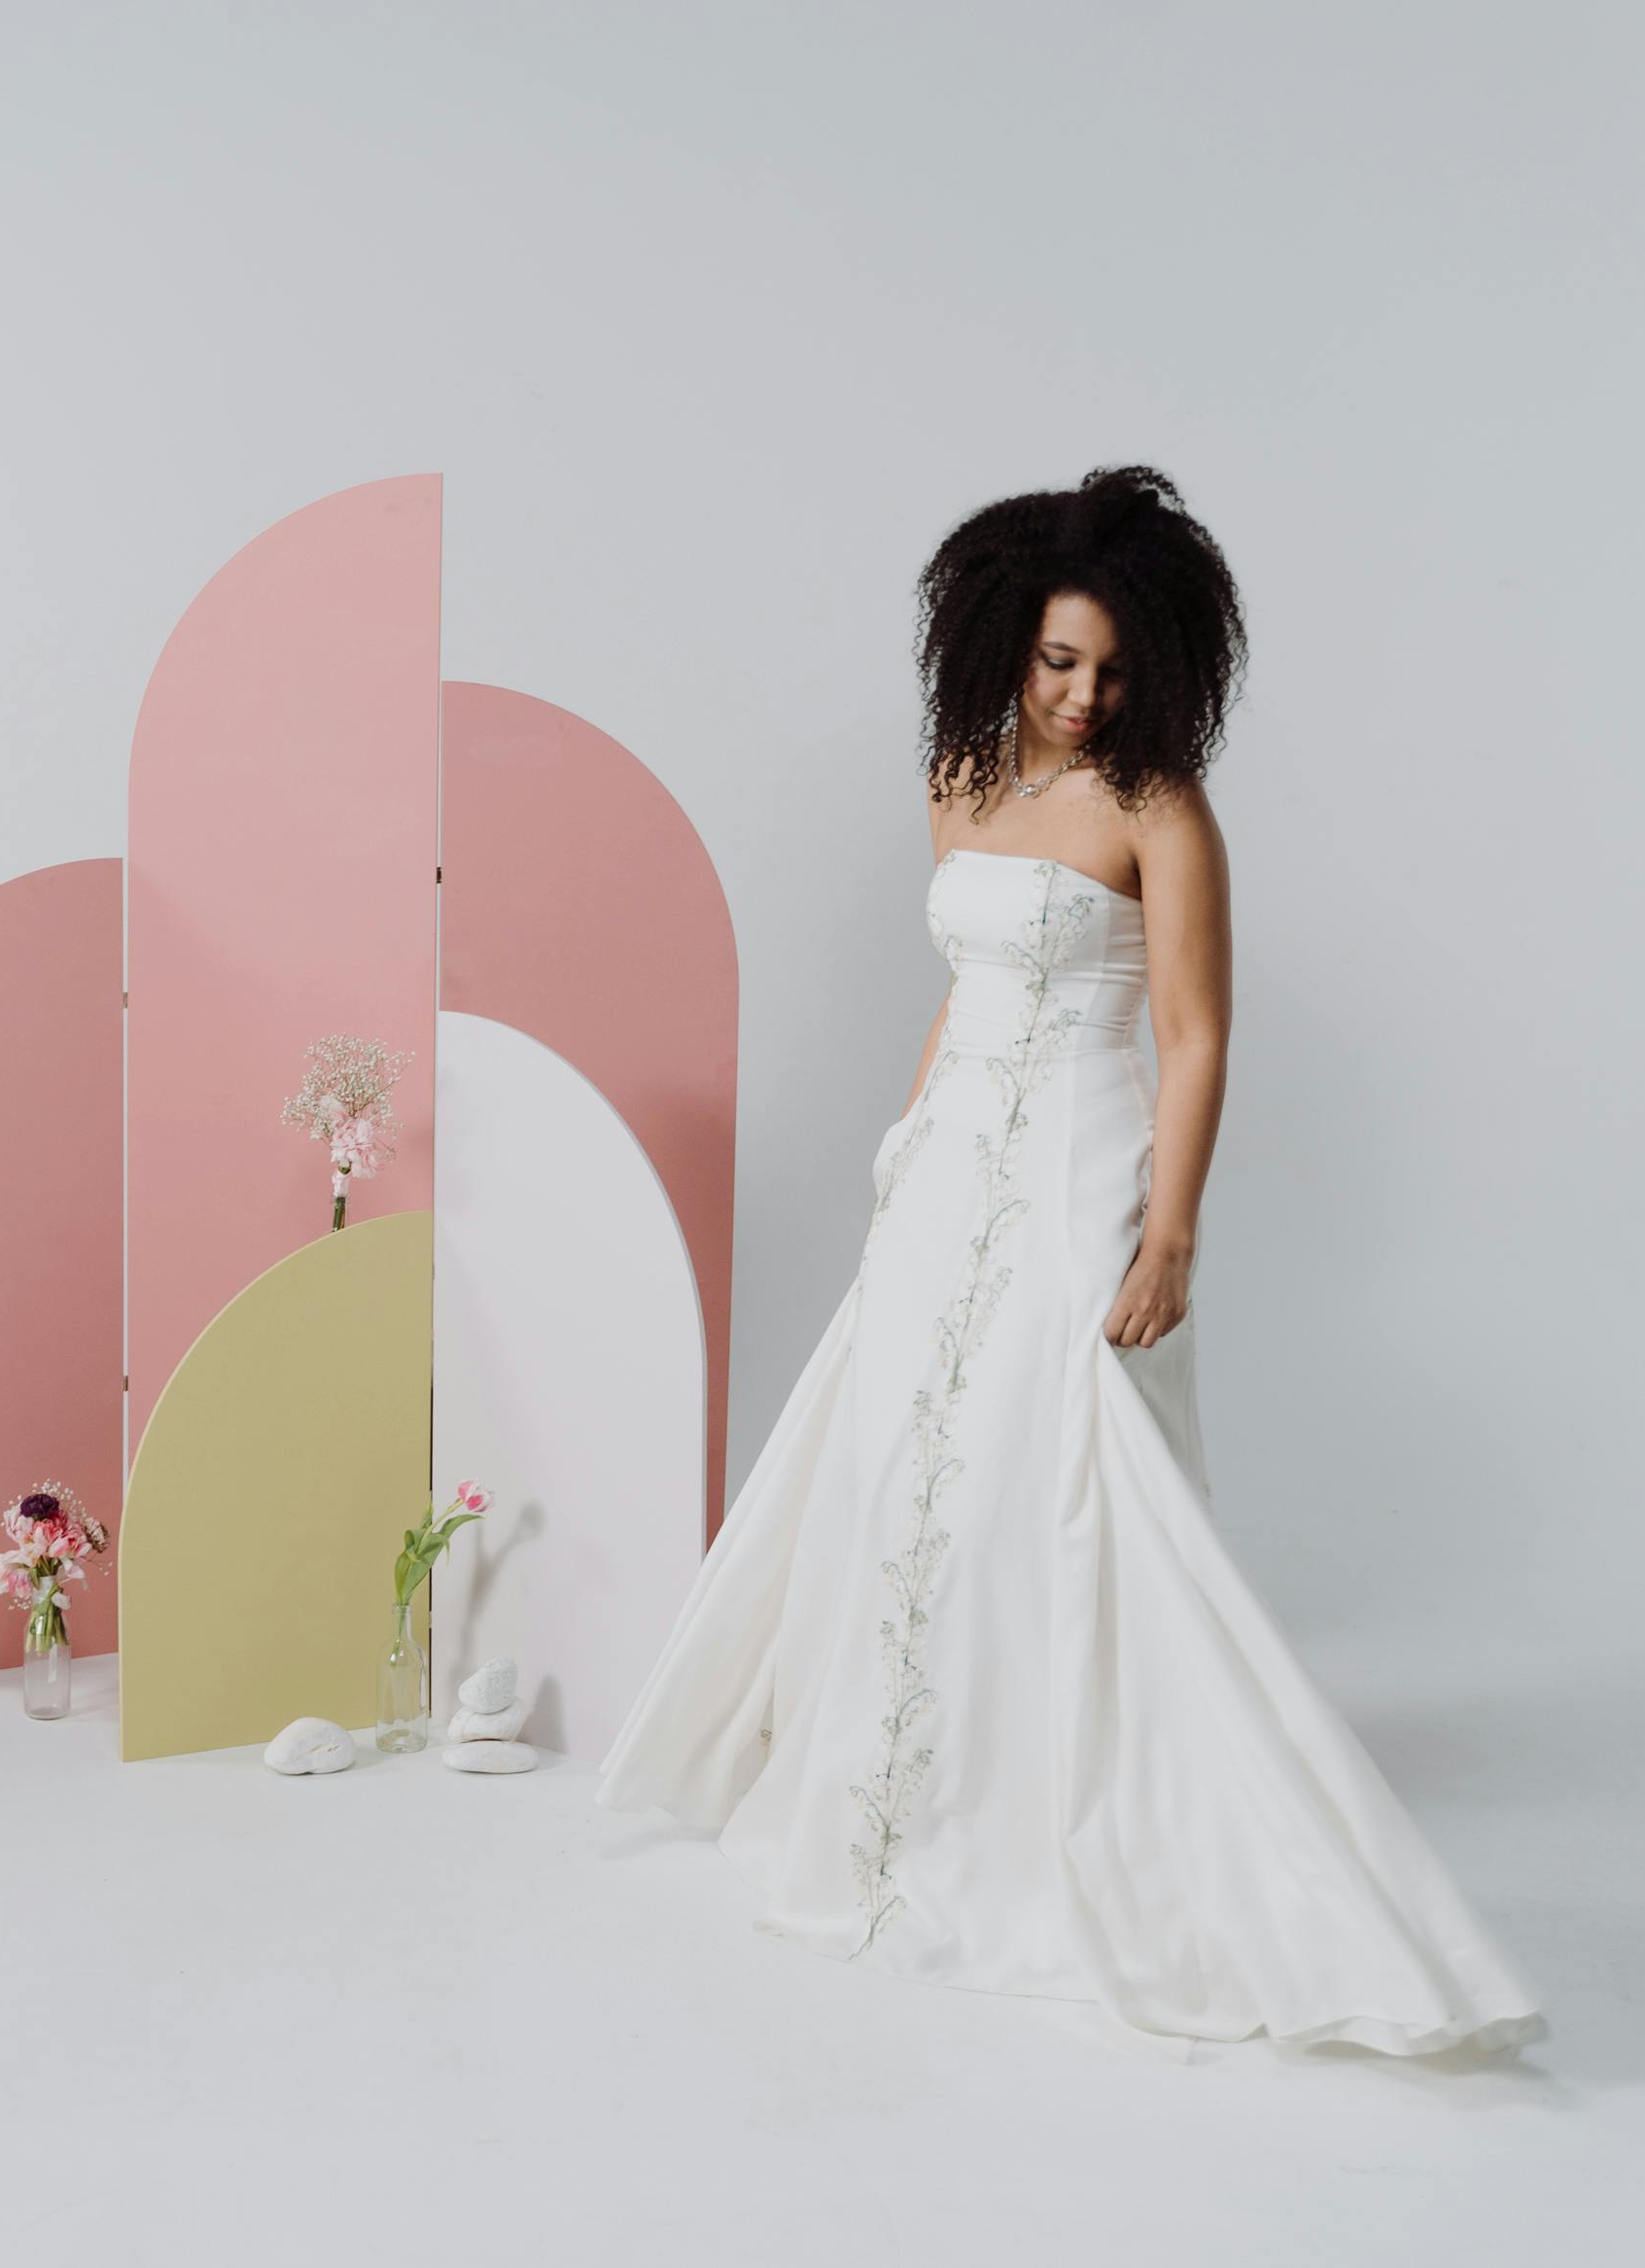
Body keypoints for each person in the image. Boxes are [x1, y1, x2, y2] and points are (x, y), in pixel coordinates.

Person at [595, 466, 1545, 2059]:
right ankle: (899, 1801)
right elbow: (962, 993)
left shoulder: (1161, 810)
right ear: (1004, 644)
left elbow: (1195, 1033)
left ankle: (1058, 1818)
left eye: (1110, 667)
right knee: (903, 1464)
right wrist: (904, 1152)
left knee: (1059, 1479)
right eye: (1057, 661)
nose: (1084, 694)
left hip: (1084, 1171)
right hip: (946, 1163)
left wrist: (1170, 1230)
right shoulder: (957, 779)